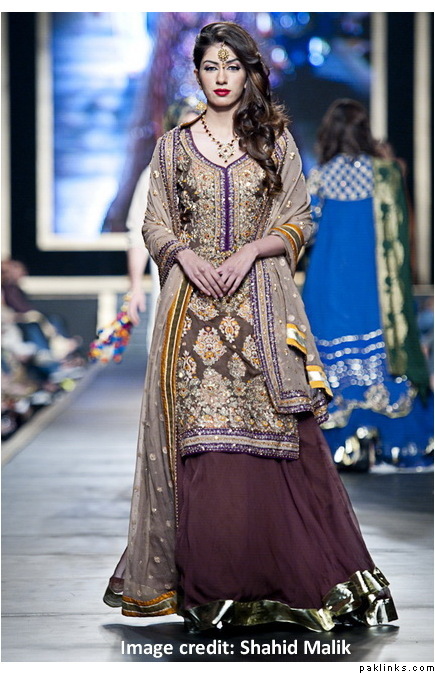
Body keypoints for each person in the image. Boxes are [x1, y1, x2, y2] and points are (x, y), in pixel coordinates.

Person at [103, 23, 397, 633]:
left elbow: (299, 218)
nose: (221, 77)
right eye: (210, 66)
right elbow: (155, 223)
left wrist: (251, 251)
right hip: (192, 314)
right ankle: (213, 590)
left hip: (261, 307)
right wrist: (184, 255)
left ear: (250, 73)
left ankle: (282, 582)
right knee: (202, 446)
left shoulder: (275, 141)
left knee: (279, 440)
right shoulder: (173, 147)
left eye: (232, 66)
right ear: (196, 73)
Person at [302, 99, 433, 470]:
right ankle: (387, 442)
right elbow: (401, 235)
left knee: (331, 358)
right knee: (381, 358)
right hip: (375, 285)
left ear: (329, 133)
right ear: (364, 131)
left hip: (329, 285)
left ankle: (342, 445)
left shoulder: (320, 177)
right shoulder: (384, 175)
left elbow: (308, 232)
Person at [126, 99, 198, 349]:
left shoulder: (224, 173)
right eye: (185, 129)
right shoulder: (155, 175)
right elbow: (137, 234)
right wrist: (135, 288)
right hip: (173, 280)